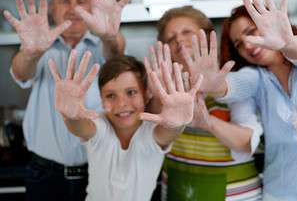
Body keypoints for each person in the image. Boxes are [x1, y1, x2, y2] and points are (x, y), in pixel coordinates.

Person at [3, 0, 132, 200]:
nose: (73, 9)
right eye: (65, 1)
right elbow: (20, 73)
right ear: (52, 9)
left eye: (81, 1)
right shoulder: (39, 46)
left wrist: (110, 36)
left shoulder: (105, 46)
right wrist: (32, 54)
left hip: (99, 171)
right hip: (44, 175)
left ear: (93, 7)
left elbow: (116, 54)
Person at [183, 0, 297, 200]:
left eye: (251, 32)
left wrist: (288, 43)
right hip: (281, 194)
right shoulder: (257, 78)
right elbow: (233, 85)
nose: (247, 44)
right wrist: (211, 85)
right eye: (239, 44)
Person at [48, 50, 203, 201]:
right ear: (101, 100)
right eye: (111, 96)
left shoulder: (150, 132)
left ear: (146, 94)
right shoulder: (101, 124)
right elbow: (82, 128)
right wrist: (70, 117)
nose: (121, 103)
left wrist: (178, 124)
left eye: (131, 92)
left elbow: (168, 133)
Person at [148, 6, 262, 201]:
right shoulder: (162, 86)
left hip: (234, 194)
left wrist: (208, 122)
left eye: (186, 32)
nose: (179, 40)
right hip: (178, 188)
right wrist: (159, 96)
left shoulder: (231, 82)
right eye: (170, 38)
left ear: (207, 38)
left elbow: (246, 142)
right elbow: (152, 132)